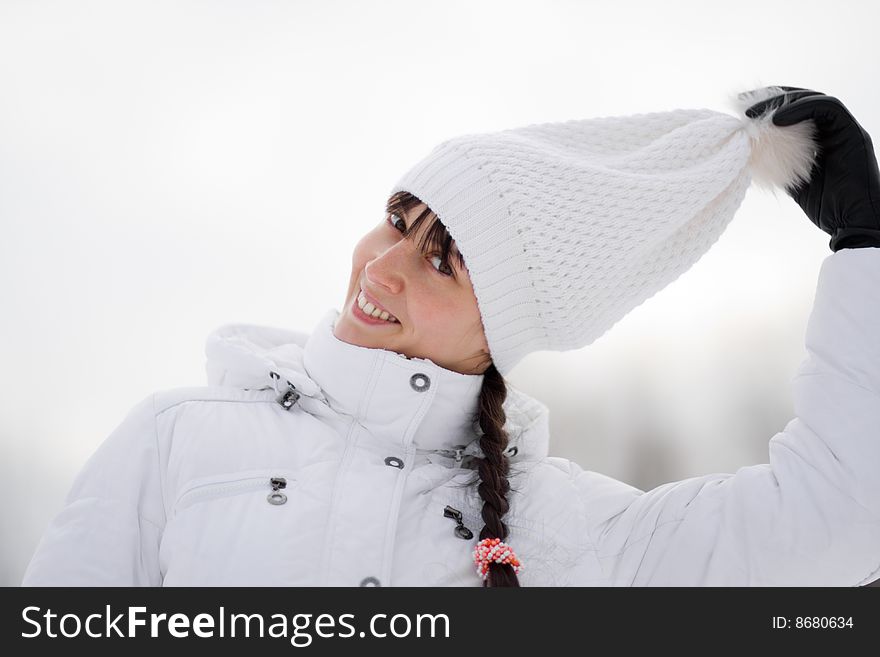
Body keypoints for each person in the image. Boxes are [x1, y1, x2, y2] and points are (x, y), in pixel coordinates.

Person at [21, 85, 880, 587]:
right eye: (398, 219)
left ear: (501, 327)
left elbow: (837, 518)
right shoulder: (180, 439)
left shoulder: (566, 529)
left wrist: (867, 254)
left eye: (442, 261)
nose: (383, 266)